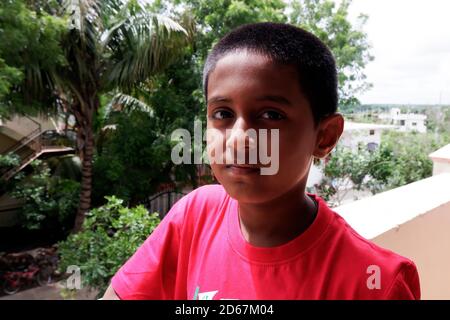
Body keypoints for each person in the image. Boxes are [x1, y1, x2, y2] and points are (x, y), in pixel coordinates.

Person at [102, 22, 420, 300]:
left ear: (325, 136)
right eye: (223, 114)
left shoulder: (377, 282)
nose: (240, 138)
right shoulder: (194, 216)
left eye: (271, 115)